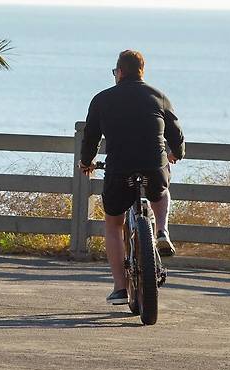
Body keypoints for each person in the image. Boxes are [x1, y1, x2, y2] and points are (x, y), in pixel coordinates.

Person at [79, 50, 185, 305]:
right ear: (141, 72)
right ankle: (161, 230)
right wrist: (176, 153)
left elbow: (90, 137)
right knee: (161, 189)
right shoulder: (158, 96)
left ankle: (119, 288)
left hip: (119, 170)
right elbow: (176, 132)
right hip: (154, 168)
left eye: (115, 72)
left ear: (121, 72)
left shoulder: (102, 99)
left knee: (114, 224)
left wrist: (86, 163)